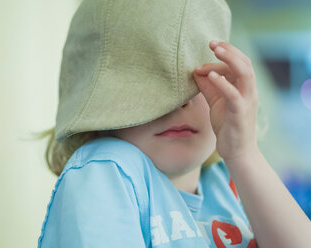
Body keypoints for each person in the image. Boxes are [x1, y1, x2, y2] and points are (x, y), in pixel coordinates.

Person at [36, 0, 311, 247]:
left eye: (202, 77)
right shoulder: (106, 170)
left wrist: (244, 153)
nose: (180, 101)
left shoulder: (225, 178)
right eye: (148, 78)